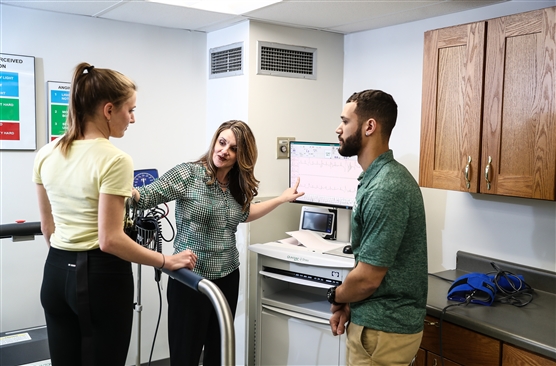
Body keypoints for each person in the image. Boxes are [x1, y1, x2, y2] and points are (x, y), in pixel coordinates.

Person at [33, 62, 198, 366]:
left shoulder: (47, 152)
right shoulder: (115, 159)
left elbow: (48, 226)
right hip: (99, 277)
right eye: (130, 110)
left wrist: (67, 262)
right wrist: (166, 260)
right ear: (109, 110)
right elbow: (110, 240)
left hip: (55, 272)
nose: (132, 119)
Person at [132, 119, 304, 366]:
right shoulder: (188, 174)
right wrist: (119, 188)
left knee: (218, 354)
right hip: (190, 279)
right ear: (215, 141)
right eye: (222, 143)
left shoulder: (237, 184)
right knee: (185, 357)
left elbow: (244, 214)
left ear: (241, 156)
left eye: (233, 149)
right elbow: (147, 195)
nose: (224, 151)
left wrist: (281, 199)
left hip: (227, 277)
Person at [327, 89, 428, 365]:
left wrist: (335, 295)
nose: (338, 129)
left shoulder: (386, 187)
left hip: (383, 331)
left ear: (369, 126)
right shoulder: (376, 178)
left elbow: (368, 278)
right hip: (377, 324)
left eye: (345, 121)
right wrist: (349, 304)